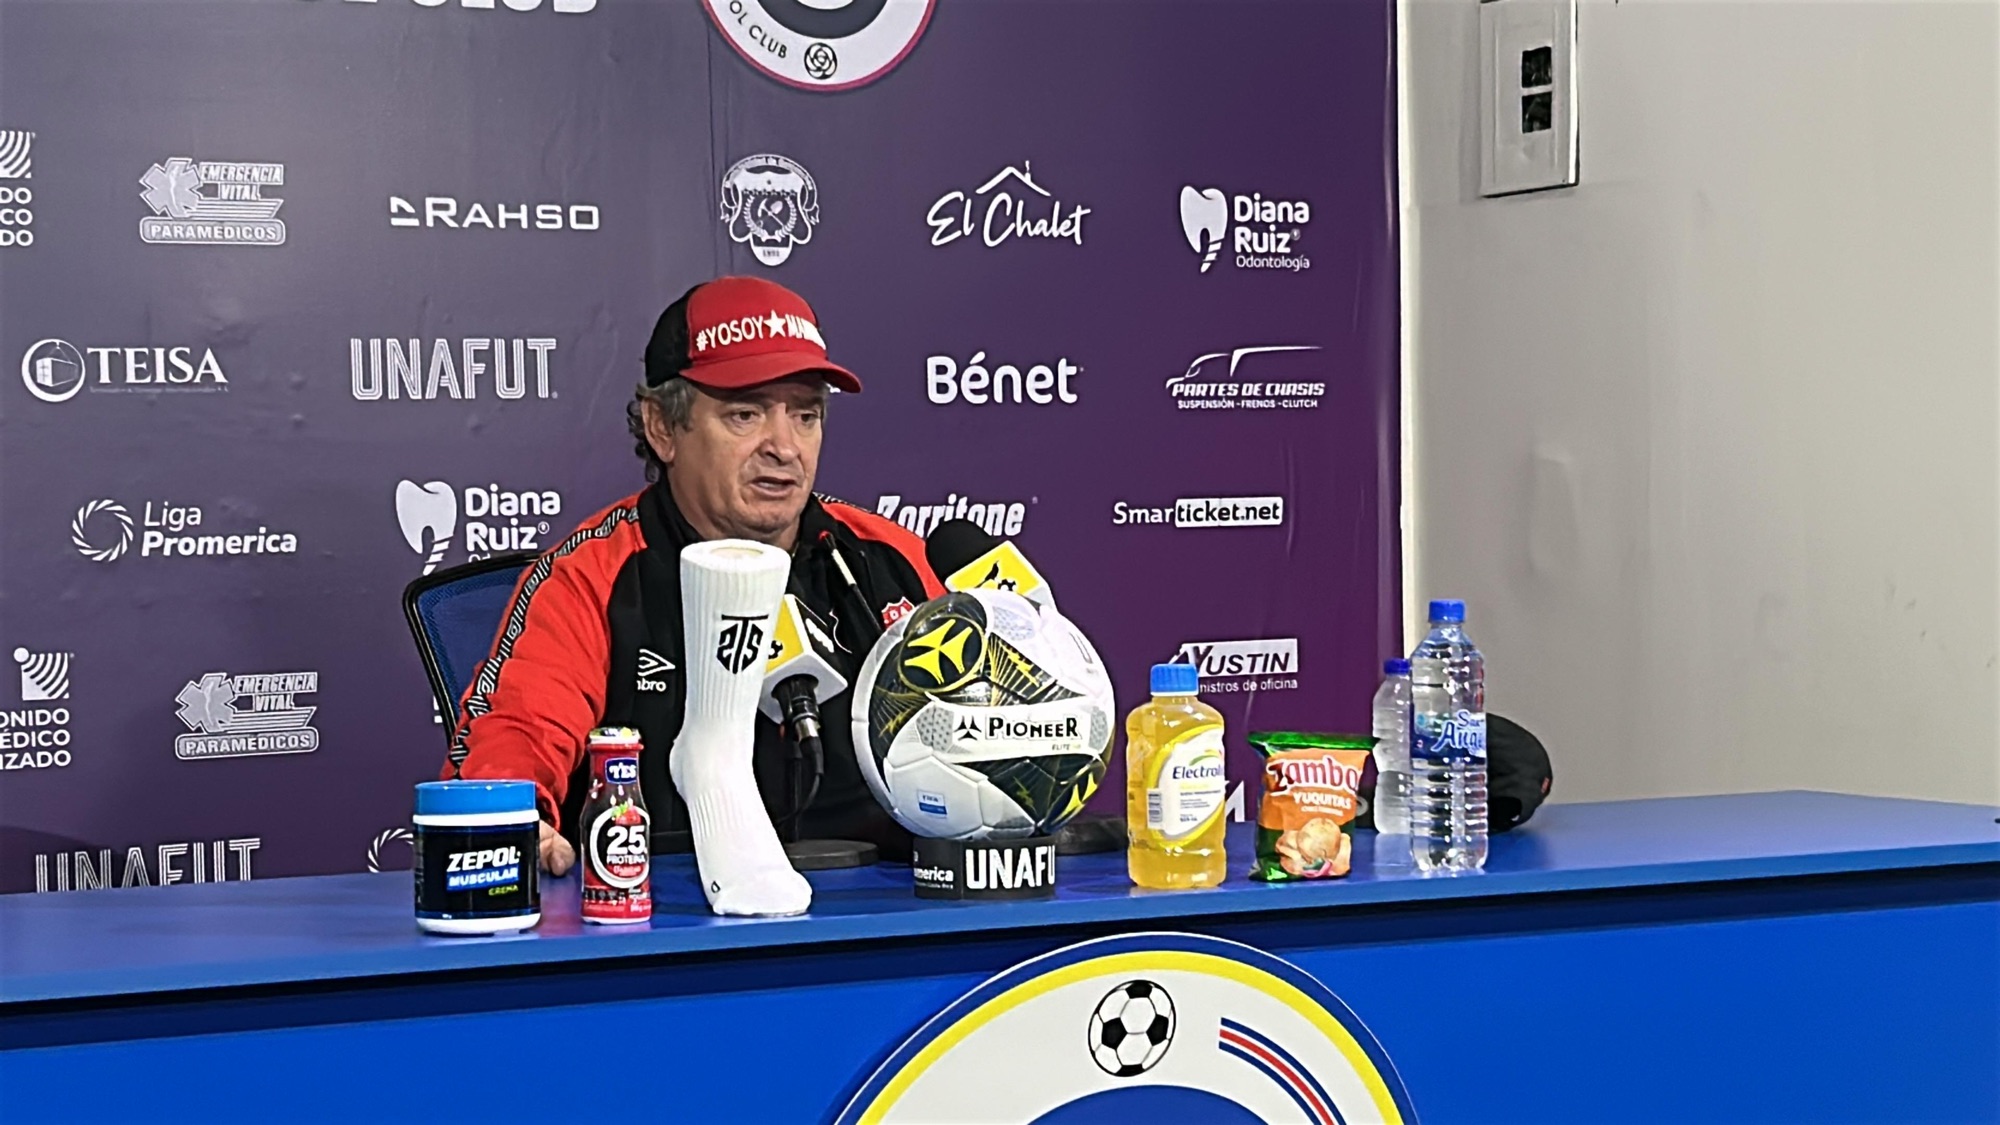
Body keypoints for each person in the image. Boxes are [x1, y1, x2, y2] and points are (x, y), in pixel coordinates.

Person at [441, 276, 941, 876]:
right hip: (667, 915)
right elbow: (517, 732)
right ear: (662, 428)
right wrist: (510, 816)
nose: (784, 447)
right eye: (745, 414)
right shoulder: (591, 576)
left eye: (805, 415)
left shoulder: (890, 559)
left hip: (884, 913)